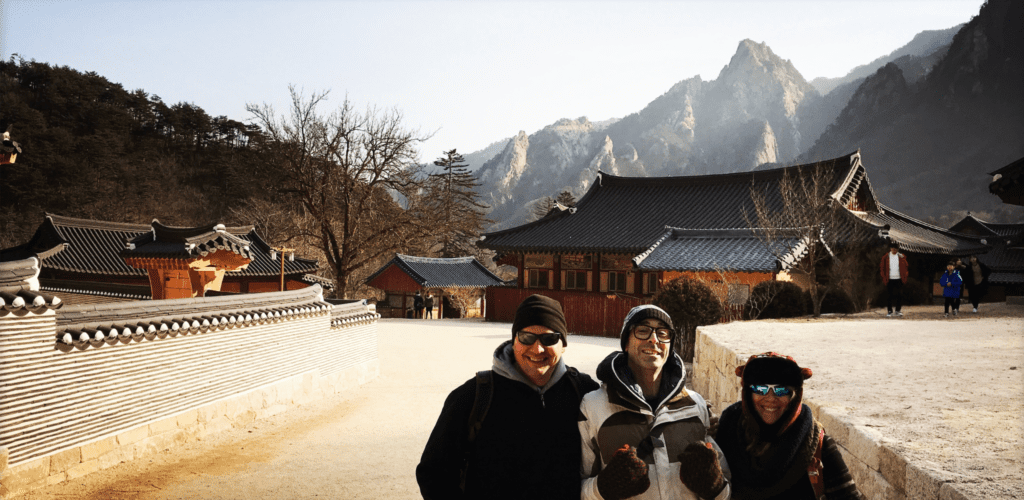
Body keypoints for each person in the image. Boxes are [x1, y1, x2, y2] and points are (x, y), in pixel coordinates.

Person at [416, 294, 598, 499]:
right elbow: (434, 473)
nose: (537, 349)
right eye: (526, 337)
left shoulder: (584, 392)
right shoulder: (475, 395)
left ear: (563, 344)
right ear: (514, 342)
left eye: (549, 338)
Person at [579, 305, 731, 500]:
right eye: (643, 331)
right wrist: (602, 488)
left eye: (663, 333)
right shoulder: (593, 406)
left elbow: (725, 489)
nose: (654, 339)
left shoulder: (695, 405)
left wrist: (715, 487)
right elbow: (577, 487)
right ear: (626, 343)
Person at [714, 352, 862, 500]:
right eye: (761, 389)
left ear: (795, 396)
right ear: (748, 393)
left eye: (781, 390)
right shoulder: (727, 434)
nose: (771, 398)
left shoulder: (818, 446)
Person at [879, 242, 908, 317]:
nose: (894, 250)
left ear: (897, 250)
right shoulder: (886, 257)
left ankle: (898, 310)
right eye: (893, 249)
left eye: (896, 249)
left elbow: (906, 267)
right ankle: (889, 311)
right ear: (890, 249)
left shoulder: (901, 257)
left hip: (899, 278)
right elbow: (882, 268)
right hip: (890, 279)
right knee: (889, 295)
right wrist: (884, 278)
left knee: (899, 295)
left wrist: (905, 276)